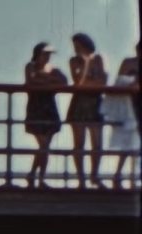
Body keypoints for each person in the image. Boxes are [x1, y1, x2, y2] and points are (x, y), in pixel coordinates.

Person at [66, 33, 108, 189]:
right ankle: (81, 179)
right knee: (79, 143)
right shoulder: (74, 61)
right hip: (79, 104)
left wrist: (89, 83)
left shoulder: (99, 59)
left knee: (97, 143)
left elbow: (102, 82)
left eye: (78, 45)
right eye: (74, 46)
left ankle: (94, 176)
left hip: (95, 103)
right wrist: (85, 65)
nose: (76, 49)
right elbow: (78, 83)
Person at [24, 43, 67, 189]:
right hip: (36, 108)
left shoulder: (54, 69)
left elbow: (63, 82)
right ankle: (35, 176)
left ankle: (37, 177)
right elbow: (31, 81)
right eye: (45, 53)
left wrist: (44, 80)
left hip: (49, 108)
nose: (47, 56)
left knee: (45, 146)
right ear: (38, 53)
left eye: (49, 54)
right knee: (43, 145)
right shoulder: (30, 66)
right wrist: (49, 81)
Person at [102, 41, 141, 189]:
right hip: (130, 107)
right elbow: (120, 81)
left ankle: (132, 177)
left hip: (137, 105)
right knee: (128, 142)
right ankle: (119, 175)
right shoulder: (128, 62)